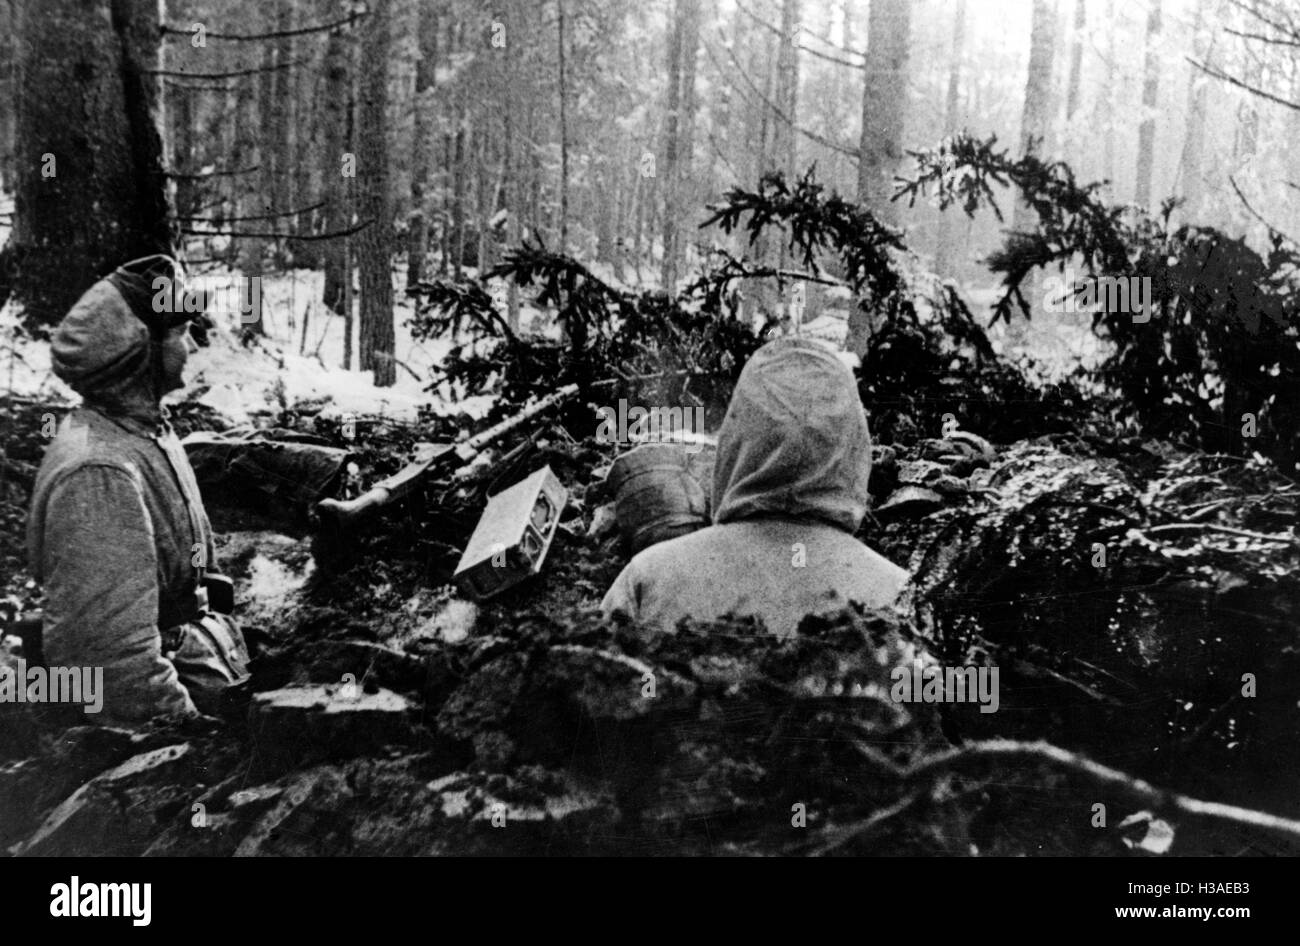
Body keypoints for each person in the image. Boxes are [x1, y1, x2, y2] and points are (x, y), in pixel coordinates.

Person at [26, 255, 250, 724]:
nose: (191, 344)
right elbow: (109, 660)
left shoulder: (140, 432)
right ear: (143, 352)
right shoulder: (99, 471)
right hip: (157, 726)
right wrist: (193, 738)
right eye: (180, 332)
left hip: (202, 669)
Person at [601, 336, 908, 636]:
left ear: (736, 436)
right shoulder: (901, 595)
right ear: (854, 443)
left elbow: (586, 674)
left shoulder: (649, 577)